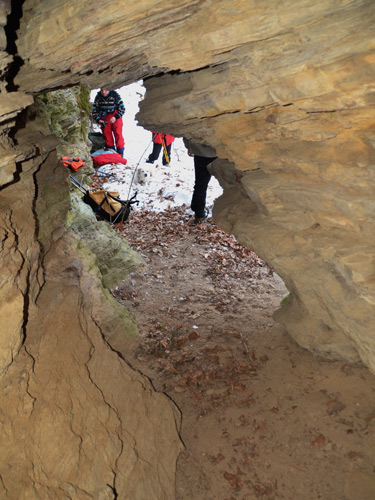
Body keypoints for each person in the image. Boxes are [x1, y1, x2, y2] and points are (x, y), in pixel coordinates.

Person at [183, 138, 217, 224]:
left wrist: (189, 146)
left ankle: (199, 214)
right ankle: (226, 214)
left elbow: (188, 131)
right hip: (218, 153)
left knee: (200, 184)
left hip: (200, 153)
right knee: (228, 185)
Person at [92, 88, 125, 157]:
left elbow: (122, 108)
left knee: (118, 134)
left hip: (115, 115)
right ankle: (112, 154)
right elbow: (95, 111)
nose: (104, 92)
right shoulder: (98, 97)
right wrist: (98, 119)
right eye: (102, 90)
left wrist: (115, 117)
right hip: (104, 116)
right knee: (107, 135)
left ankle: (120, 155)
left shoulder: (115, 95)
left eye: (106, 90)